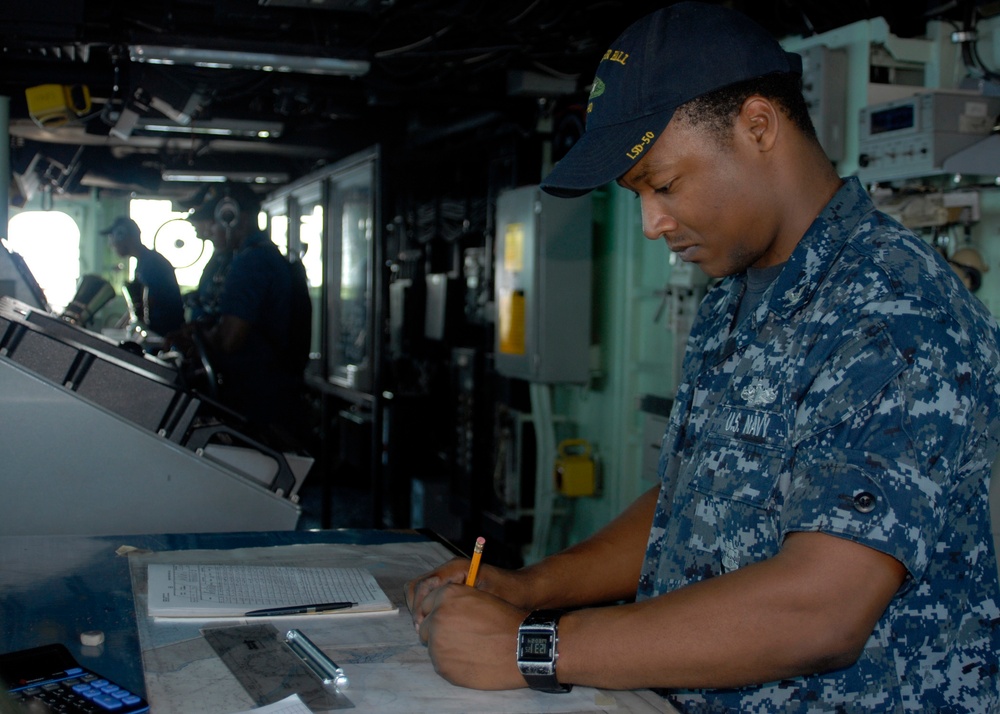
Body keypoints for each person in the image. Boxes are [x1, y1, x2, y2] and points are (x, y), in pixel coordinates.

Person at [405, 3, 1000, 711]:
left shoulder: (894, 308)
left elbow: (824, 608)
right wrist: (529, 586)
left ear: (757, 127)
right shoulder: (734, 296)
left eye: (662, 184)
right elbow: (693, 502)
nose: (653, 223)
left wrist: (534, 647)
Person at [167, 182, 311, 437]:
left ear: (230, 216)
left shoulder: (252, 262)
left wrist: (198, 337)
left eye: (211, 222)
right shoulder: (257, 255)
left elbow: (231, 340)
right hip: (265, 395)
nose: (206, 233)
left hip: (255, 401)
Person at [101, 215, 185, 337]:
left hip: (164, 333)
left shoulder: (151, 264)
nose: (111, 244)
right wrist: (120, 328)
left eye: (112, 238)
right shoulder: (143, 262)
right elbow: (138, 305)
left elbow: (148, 302)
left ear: (122, 236)